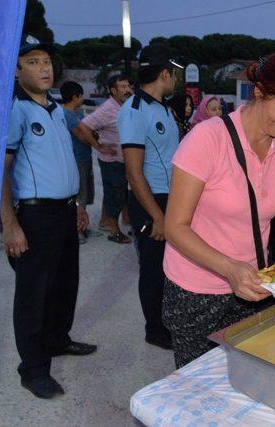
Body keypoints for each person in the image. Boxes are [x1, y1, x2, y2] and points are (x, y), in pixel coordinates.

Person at [162, 48, 275, 368]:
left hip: (255, 282)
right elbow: (175, 227)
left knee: (247, 375)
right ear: (259, 92)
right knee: (199, 386)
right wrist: (229, 269)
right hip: (196, 288)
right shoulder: (208, 139)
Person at [1, 35, 97, 399]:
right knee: (33, 296)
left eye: (46, 61)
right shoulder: (16, 111)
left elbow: (62, 163)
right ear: (16, 71)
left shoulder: (57, 109)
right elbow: (1, 173)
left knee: (64, 284)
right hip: (36, 216)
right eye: (33, 62)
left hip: (63, 211)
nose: (44, 68)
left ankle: (57, 340)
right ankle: (33, 369)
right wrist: (11, 224)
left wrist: (77, 207)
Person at [118, 43, 182, 349]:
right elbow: (134, 171)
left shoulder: (165, 108)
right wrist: (157, 215)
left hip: (172, 198)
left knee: (172, 266)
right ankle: (154, 330)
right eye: (175, 74)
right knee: (153, 268)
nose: (177, 80)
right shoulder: (133, 111)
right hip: (151, 201)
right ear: (165, 74)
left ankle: (168, 319)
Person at [73, 74, 133, 244]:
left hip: (122, 159)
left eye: (128, 86)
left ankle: (108, 222)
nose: (127, 90)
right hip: (112, 160)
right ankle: (113, 231)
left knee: (117, 193)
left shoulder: (125, 106)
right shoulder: (108, 108)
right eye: (122, 87)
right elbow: (84, 126)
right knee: (115, 194)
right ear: (113, 91)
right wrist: (97, 146)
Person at [60, 81, 101, 244]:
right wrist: (94, 137)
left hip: (84, 158)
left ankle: (83, 226)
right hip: (77, 159)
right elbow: (82, 137)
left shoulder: (76, 114)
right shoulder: (68, 115)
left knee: (85, 194)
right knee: (79, 196)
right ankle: (77, 230)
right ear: (75, 97)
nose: (82, 98)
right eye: (81, 95)